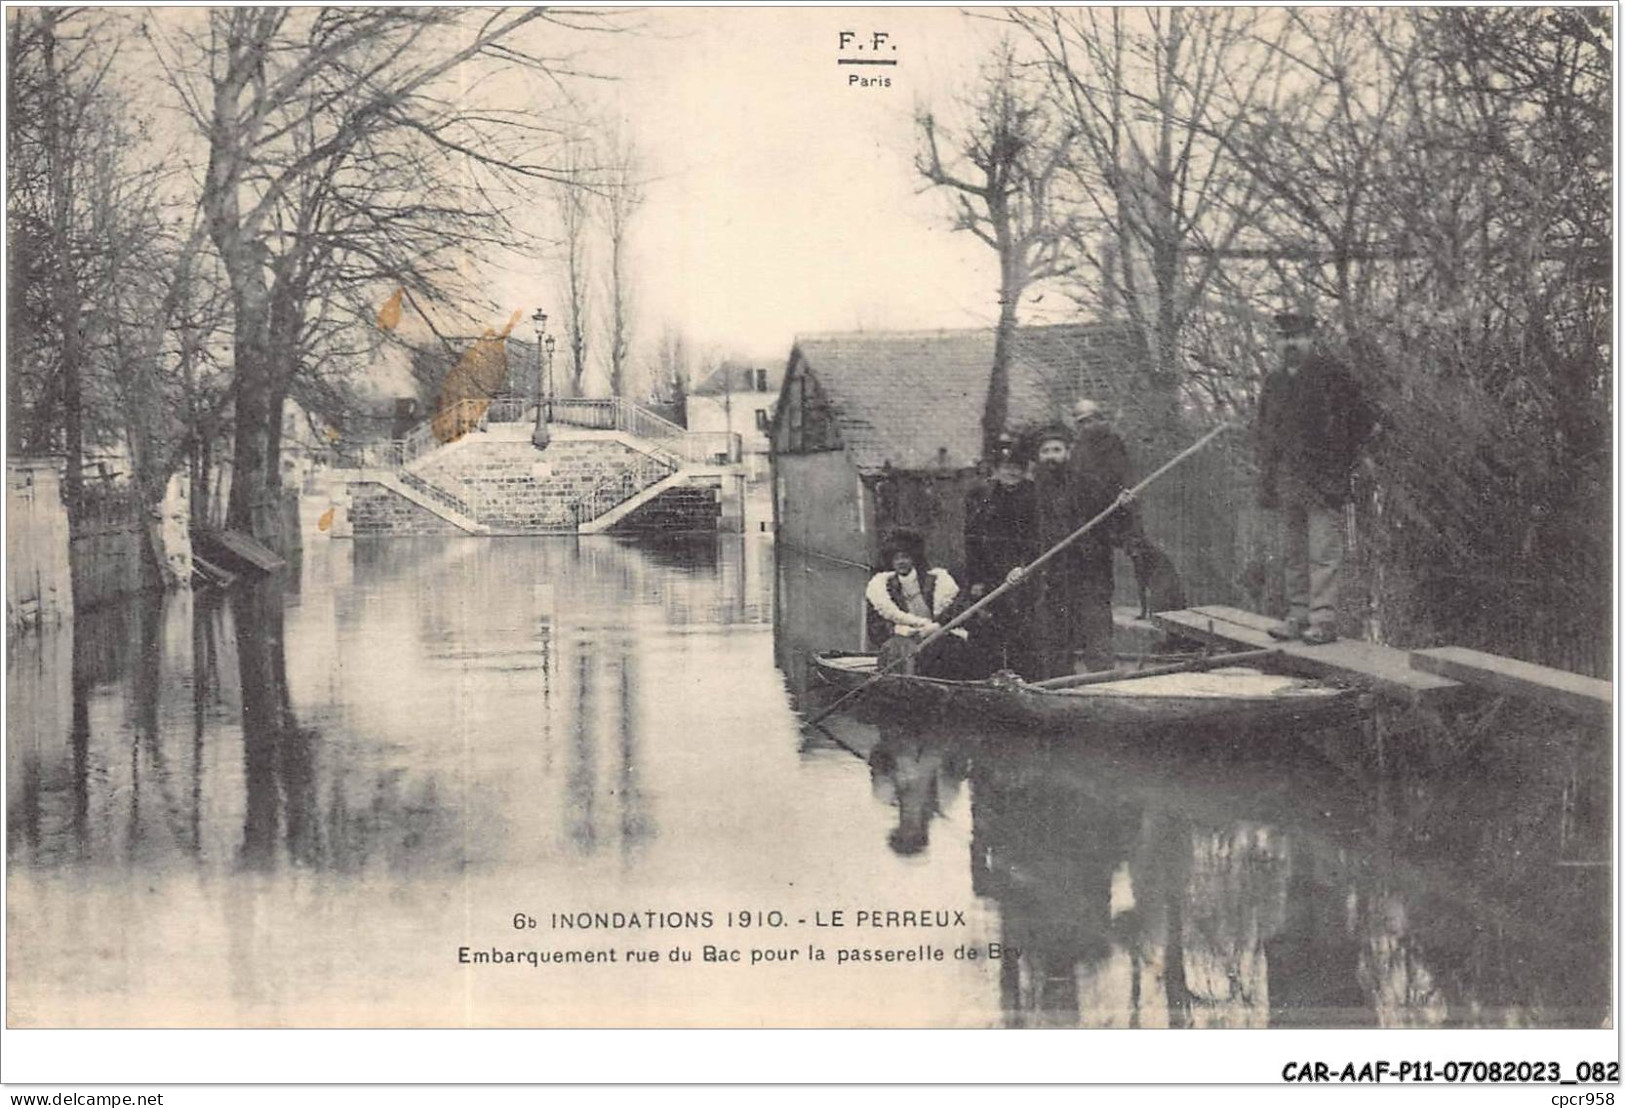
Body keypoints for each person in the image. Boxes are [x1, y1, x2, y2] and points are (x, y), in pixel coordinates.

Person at [1256, 311, 1376, 645]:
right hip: (1287, 482)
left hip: (1324, 483)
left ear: (1313, 339)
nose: (1290, 344)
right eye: (1283, 337)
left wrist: (1341, 464)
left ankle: (1323, 620)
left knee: (1323, 552)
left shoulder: (1334, 376)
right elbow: (1263, 434)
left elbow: (1363, 422)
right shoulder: (1274, 383)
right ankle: (1298, 616)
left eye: (1297, 337)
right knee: (1292, 553)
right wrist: (1267, 479)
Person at [963, 432, 1038, 677]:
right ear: (996, 469)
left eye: (1017, 467)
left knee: (1024, 629)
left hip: (1024, 574)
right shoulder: (983, 496)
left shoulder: (1033, 496)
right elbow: (972, 539)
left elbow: (1038, 538)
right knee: (989, 627)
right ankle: (988, 678)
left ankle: (1026, 677)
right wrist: (975, 579)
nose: (1012, 472)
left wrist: (1024, 566)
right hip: (991, 573)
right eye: (1006, 467)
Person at [865, 528, 974, 678]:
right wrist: (897, 629)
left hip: (938, 636)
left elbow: (959, 609)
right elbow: (874, 626)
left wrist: (937, 626)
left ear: (914, 558)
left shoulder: (937, 581)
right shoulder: (882, 588)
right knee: (895, 648)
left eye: (905, 557)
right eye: (896, 558)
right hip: (905, 641)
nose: (901, 562)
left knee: (947, 648)